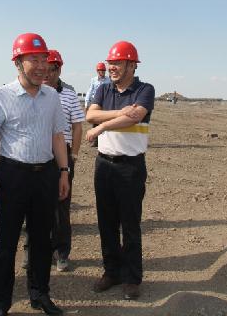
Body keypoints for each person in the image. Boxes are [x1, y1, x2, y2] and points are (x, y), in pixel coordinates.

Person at [0, 32, 70, 316]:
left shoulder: (51, 97)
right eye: (35, 60)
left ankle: (40, 294)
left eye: (45, 59)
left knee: (42, 241)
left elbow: (58, 137)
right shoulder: (2, 96)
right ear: (18, 63)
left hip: (45, 176)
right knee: (6, 243)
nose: (42, 66)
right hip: (12, 176)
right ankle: (0, 302)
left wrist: (64, 172)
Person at [85, 41, 154, 301]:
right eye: (110, 63)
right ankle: (111, 272)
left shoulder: (145, 90)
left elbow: (134, 116)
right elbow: (90, 114)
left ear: (132, 65)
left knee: (130, 224)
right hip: (104, 165)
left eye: (117, 63)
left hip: (130, 168)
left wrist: (102, 126)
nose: (112, 67)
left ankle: (132, 278)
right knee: (106, 223)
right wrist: (116, 113)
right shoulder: (103, 89)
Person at [43, 49, 85, 272]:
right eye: (46, 68)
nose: (48, 73)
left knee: (61, 205)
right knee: (38, 205)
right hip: (39, 154)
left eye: (53, 69)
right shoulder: (34, 91)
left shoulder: (69, 94)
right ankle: (40, 251)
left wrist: (74, 155)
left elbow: (77, 126)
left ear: (59, 70)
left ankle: (61, 253)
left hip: (63, 155)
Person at [85, 62, 110, 147]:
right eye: (100, 70)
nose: (102, 72)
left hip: (105, 103)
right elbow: (90, 91)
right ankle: (95, 141)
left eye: (103, 70)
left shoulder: (109, 80)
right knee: (95, 121)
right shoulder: (93, 80)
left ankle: (104, 140)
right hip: (95, 103)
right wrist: (86, 103)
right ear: (97, 71)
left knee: (104, 121)